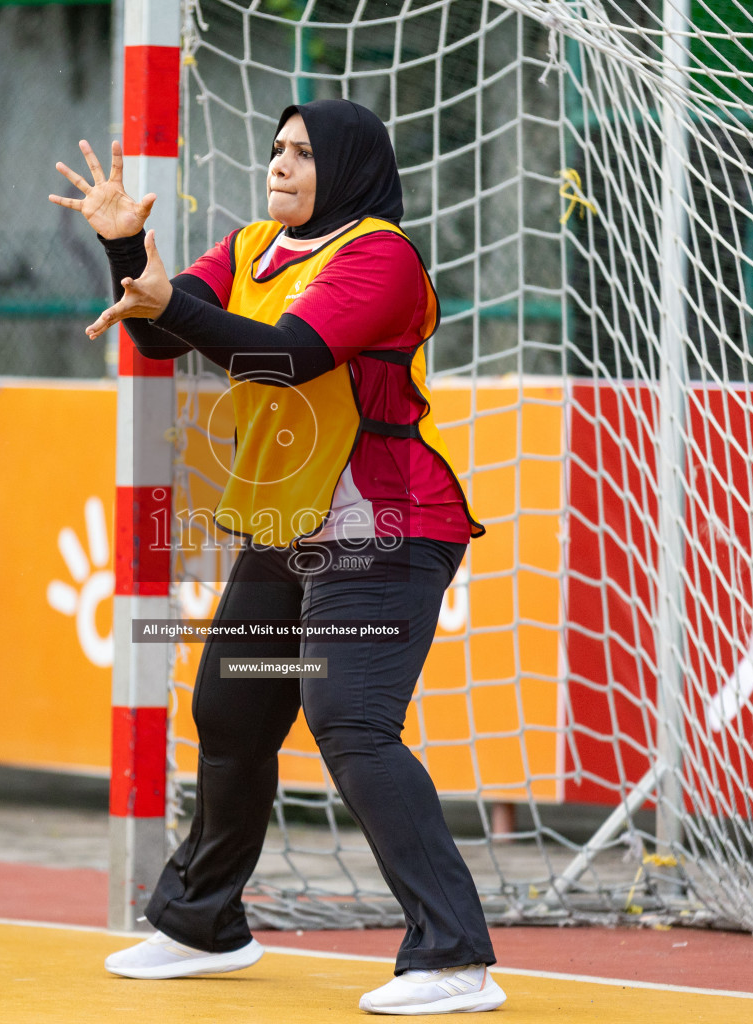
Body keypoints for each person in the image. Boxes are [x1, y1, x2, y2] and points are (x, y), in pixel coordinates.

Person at [49, 98, 505, 1016]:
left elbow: (285, 357)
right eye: (275, 150)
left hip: (386, 529)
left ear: (344, 167)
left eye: (301, 153)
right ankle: (202, 925)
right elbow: (158, 329)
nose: (279, 165)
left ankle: (455, 955)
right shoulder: (256, 244)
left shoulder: (380, 254)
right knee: (233, 708)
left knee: (351, 720)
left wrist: (167, 297)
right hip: (289, 530)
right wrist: (126, 254)